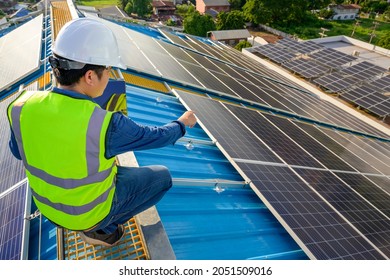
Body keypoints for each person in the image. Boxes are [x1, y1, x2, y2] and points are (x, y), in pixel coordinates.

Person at [7, 18, 197, 247]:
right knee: (162, 178)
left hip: (49, 210)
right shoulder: (105, 124)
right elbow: (156, 135)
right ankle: (102, 229)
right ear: (89, 76)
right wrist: (182, 123)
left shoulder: (21, 106)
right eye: (107, 70)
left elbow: (19, 153)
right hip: (87, 215)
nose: (109, 77)